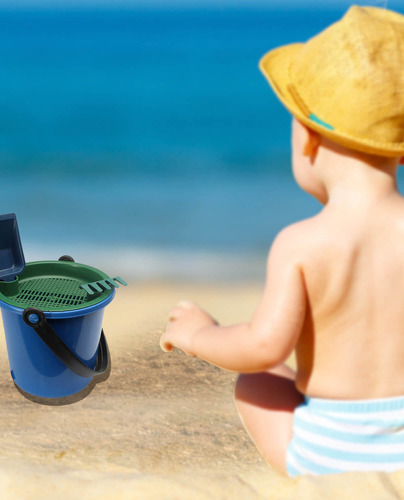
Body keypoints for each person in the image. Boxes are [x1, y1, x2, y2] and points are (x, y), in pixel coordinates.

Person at [159, 5, 404, 477]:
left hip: (326, 455)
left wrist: (198, 334)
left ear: (310, 139)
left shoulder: (302, 243)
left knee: (258, 379)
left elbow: (263, 346)